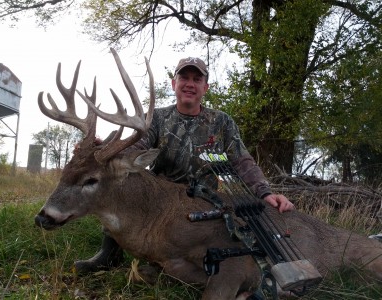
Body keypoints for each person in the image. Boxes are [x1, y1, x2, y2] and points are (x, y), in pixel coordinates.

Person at [74, 56, 295, 273]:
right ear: (174, 84)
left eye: (197, 80)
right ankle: (110, 252)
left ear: (205, 87)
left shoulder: (221, 122)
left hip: (204, 201)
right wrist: (107, 152)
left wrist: (265, 193)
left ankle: (176, 265)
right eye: (184, 78)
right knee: (119, 177)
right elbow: (137, 147)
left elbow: (242, 160)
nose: (190, 84)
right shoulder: (157, 118)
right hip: (160, 199)